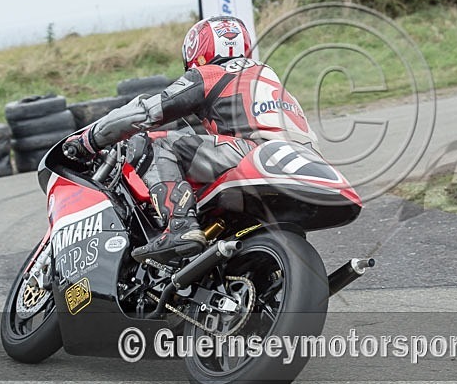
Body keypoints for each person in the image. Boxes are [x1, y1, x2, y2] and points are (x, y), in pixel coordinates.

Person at [63, 15, 320, 265]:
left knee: (155, 143)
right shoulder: (268, 74)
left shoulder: (210, 73)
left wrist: (90, 138)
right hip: (307, 161)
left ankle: (180, 225)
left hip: (255, 152)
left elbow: (147, 112)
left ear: (198, 48)